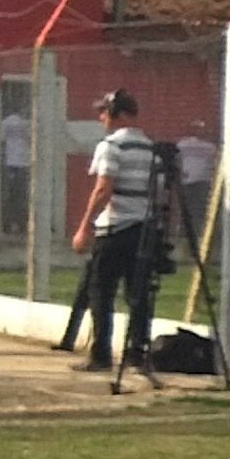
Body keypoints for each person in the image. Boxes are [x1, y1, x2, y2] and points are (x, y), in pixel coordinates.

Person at [68, 89, 156, 372]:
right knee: (138, 293)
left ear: (120, 114)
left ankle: (101, 354)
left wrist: (85, 226)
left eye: (105, 112)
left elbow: (103, 188)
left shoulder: (111, 146)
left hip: (115, 227)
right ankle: (136, 352)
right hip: (143, 229)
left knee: (101, 291)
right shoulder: (150, 148)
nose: (102, 118)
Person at [0, 109, 30, 235]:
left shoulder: (6, 122)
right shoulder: (27, 123)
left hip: (12, 163)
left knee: (14, 195)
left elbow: (1, 141)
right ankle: (20, 224)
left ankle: (14, 224)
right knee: (22, 195)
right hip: (23, 163)